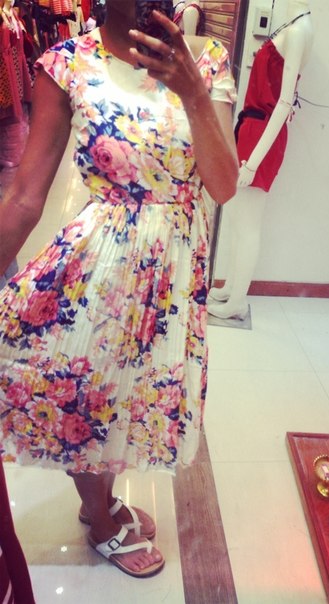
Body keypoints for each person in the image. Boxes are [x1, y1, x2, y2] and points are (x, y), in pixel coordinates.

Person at [0, 0, 237, 579]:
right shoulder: (66, 64)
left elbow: (224, 184)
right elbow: (25, 196)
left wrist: (193, 94)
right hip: (99, 271)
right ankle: (101, 521)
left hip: (172, 280)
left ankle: (99, 502)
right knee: (87, 393)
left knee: (127, 398)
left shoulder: (206, 60)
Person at [208, 0, 313, 320]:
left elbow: (284, 102)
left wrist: (253, 163)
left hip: (262, 134)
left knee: (248, 224)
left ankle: (238, 301)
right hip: (252, 128)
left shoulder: (299, 30)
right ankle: (231, 287)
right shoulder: (294, 23)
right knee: (238, 218)